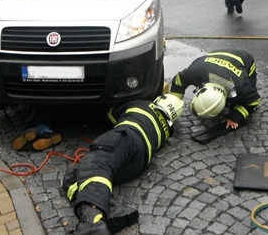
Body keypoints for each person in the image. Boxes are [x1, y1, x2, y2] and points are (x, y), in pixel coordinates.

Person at [62, 94, 184, 235]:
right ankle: (112, 210)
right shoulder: (166, 131)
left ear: (159, 101)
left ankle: (93, 222)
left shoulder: (142, 103)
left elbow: (109, 115)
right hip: (140, 161)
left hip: (127, 137)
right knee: (76, 174)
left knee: (95, 164)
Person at [169, 49, 261, 130]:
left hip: (243, 58)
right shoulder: (195, 72)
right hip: (214, 56)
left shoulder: (241, 86)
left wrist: (235, 116)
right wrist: (174, 102)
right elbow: (179, 80)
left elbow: (254, 101)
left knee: (240, 101)